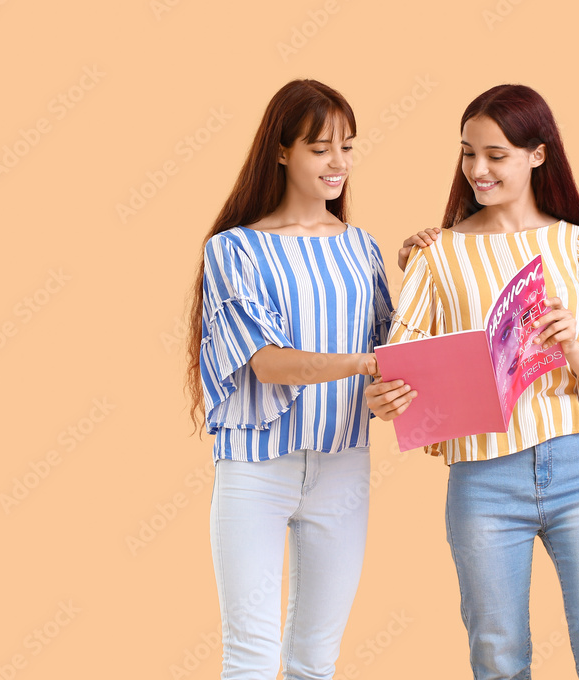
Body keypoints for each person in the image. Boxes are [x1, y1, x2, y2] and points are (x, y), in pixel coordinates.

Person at [367, 84, 579, 679]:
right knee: (497, 659)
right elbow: (398, 367)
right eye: (468, 153)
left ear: (537, 154)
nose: (477, 170)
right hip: (484, 479)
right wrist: (386, 397)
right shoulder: (439, 254)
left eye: (496, 155)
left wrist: (570, 344)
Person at [184, 79, 392, 680]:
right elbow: (268, 361)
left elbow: (393, 352)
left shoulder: (363, 249)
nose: (338, 163)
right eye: (319, 147)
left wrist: (426, 258)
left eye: (347, 147)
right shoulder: (234, 249)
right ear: (281, 152)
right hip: (255, 468)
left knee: (315, 662)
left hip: (343, 465)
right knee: (250, 657)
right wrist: (362, 365)